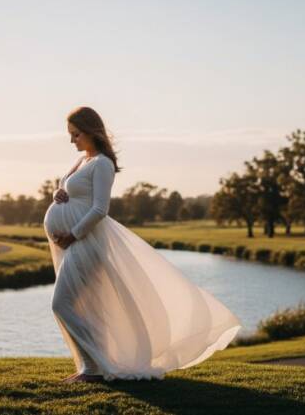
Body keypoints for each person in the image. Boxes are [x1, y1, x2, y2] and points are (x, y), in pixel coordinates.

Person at [43, 106, 242, 384]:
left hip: (86, 242)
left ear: (90, 131)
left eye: (75, 134)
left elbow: (100, 209)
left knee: (61, 304)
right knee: (87, 306)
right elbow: (67, 188)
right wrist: (58, 193)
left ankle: (93, 368)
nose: (71, 140)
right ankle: (93, 368)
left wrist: (73, 234)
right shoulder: (82, 161)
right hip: (73, 244)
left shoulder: (102, 163)